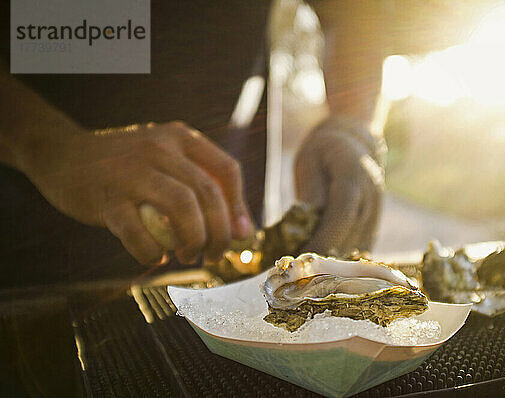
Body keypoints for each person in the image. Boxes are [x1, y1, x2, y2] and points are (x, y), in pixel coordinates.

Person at [0, 1, 384, 285]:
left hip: (223, 224)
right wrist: (51, 147)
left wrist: (349, 124)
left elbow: (354, 12)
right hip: (28, 244)